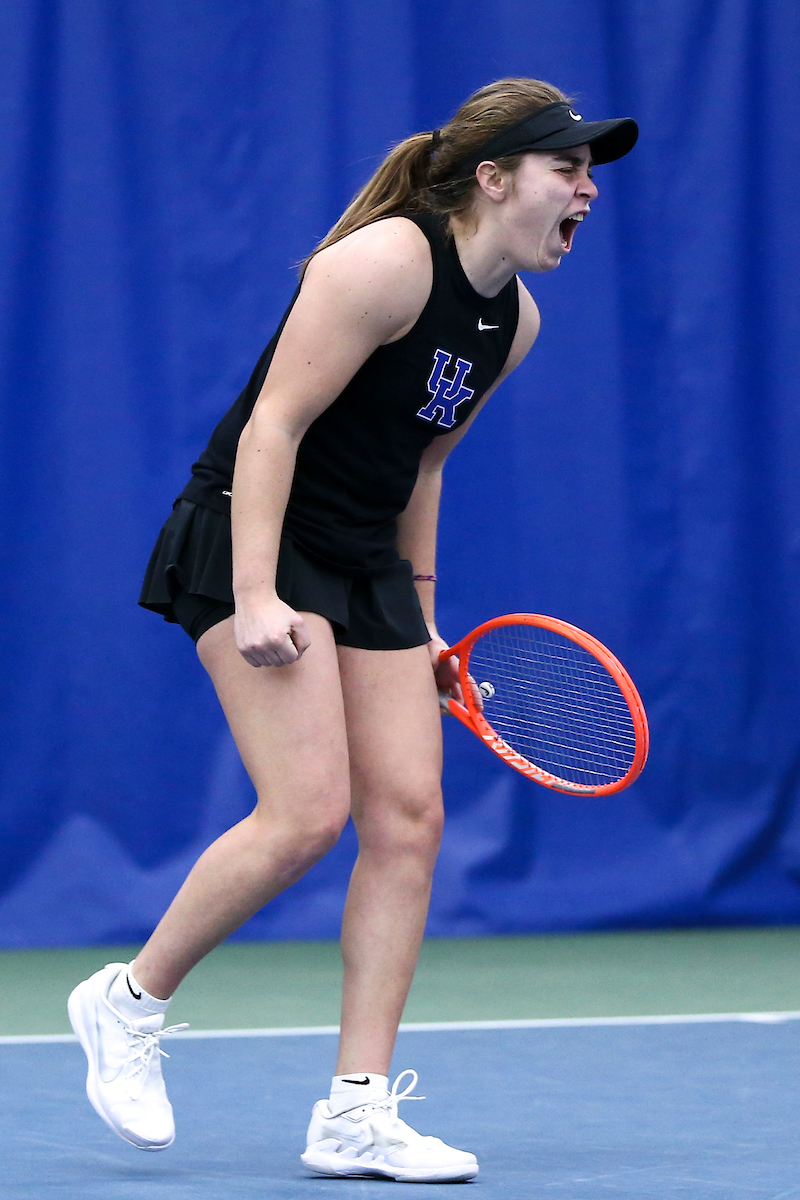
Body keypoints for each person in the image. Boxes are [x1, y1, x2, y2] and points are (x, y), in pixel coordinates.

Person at [68, 77, 637, 1183]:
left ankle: (353, 1112)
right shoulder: (381, 263)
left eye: (589, 172)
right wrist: (253, 596)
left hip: (364, 559)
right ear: (492, 178)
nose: (585, 190)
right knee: (306, 812)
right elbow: (274, 424)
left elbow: (420, 463)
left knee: (410, 818)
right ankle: (127, 1002)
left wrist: (420, 619)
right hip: (251, 530)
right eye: (566, 169)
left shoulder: (510, 322)